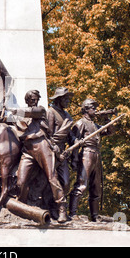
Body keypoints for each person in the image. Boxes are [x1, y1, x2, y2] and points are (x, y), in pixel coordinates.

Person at [9, 90, 68, 223]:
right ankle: (23, 208)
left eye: (36, 99)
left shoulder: (41, 110)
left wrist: (13, 110)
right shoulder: (23, 118)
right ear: (27, 101)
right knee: (21, 181)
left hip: (42, 145)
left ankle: (62, 209)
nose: (34, 102)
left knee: (52, 177)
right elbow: (17, 128)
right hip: (27, 149)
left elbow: (31, 112)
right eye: (32, 100)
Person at [68, 98, 114, 222]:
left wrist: (106, 118)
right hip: (86, 154)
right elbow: (74, 142)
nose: (95, 110)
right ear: (86, 109)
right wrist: (75, 159)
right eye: (93, 108)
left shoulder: (95, 125)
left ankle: (95, 215)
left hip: (96, 155)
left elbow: (110, 132)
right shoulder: (81, 123)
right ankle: (72, 213)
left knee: (96, 186)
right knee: (81, 184)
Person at [45, 87, 76, 219]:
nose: (68, 101)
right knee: (51, 181)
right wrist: (56, 151)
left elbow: (70, 136)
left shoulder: (67, 115)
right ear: (59, 99)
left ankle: (59, 208)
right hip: (52, 152)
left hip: (63, 152)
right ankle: (54, 209)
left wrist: (75, 141)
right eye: (65, 98)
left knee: (66, 182)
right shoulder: (51, 113)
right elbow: (47, 135)